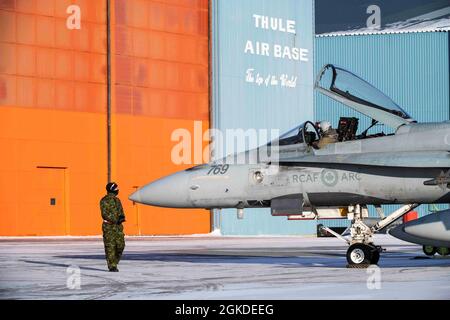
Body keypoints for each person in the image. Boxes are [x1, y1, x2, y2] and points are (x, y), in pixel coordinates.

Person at [100, 182, 126, 272]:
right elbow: (105, 214)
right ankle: (112, 266)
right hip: (109, 226)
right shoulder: (104, 200)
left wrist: (122, 217)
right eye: (116, 189)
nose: (117, 190)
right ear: (111, 190)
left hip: (118, 227)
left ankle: (114, 261)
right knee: (110, 247)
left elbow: (120, 211)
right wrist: (115, 220)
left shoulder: (117, 200)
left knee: (120, 245)